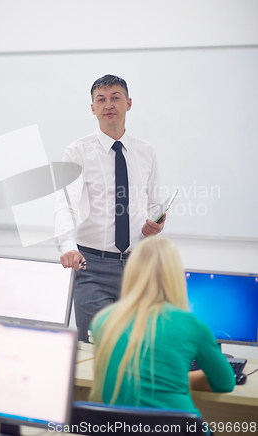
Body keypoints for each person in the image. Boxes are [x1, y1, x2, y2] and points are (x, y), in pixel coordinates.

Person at [57, 74, 166, 341]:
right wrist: (67, 246)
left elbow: (155, 203)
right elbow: (65, 205)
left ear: (128, 103)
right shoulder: (77, 152)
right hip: (92, 267)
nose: (108, 105)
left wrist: (158, 222)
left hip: (137, 267)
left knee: (138, 347)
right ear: (92, 108)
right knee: (96, 353)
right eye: (101, 100)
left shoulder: (146, 151)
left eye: (115, 98)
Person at [89, 237, 235, 414]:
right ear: (175, 276)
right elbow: (225, 383)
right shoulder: (193, 326)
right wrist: (175, 378)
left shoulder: (103, 321)